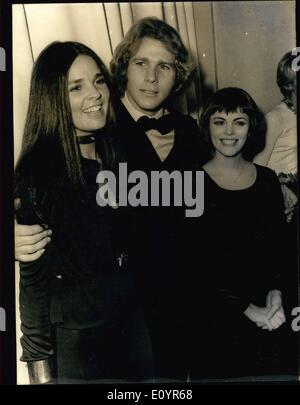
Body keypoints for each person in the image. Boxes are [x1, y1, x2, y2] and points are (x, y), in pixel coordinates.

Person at [15, 17, 205, 381]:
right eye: (141, 64)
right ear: (125, 69)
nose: (151, 78)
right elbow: (36, 277)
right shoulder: (96, 133)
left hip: (156, 319)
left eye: (163, 66)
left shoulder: (183, 136)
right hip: (90, 332)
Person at [14, 41, 153, 384]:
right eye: (76, 87)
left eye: (98, 81)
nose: (95, 94)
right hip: (80, 345)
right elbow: (33, 289)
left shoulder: (119, 154)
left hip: (133, 330)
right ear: (53, 99)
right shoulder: (38, 174)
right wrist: (39, 373)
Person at [188, 87, 289, 379]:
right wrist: (249, 310)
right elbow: (199, 268)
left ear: (250, 127)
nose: (229, 131)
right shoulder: (191, 184)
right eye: (219, 121)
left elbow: (278, 249)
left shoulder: (268, 180)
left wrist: (276, 293)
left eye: (239, 122)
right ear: (207, 126)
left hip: (267, 317)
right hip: (216, 322)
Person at [254, 50, 297, 224]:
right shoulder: (275, 118)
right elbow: (257, 165)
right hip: (279, 188)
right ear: (289, 84)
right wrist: (280, 189)